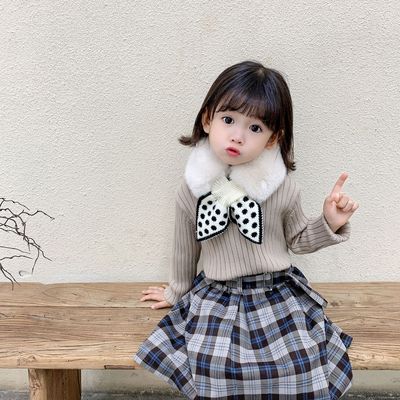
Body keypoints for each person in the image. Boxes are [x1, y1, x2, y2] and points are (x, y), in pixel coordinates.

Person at [133, 60, 359, 399]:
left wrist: (329, 222)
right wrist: (176, 292)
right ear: (207, 120)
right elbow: (185, 248)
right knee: (212, 363)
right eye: (228, 120)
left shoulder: (281, 188)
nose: (238, 136)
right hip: (218, 296)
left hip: (276, 293)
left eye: (255, 128)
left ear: (272, 138)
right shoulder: (193, 188)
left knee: (298, 361)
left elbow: (298, 240)